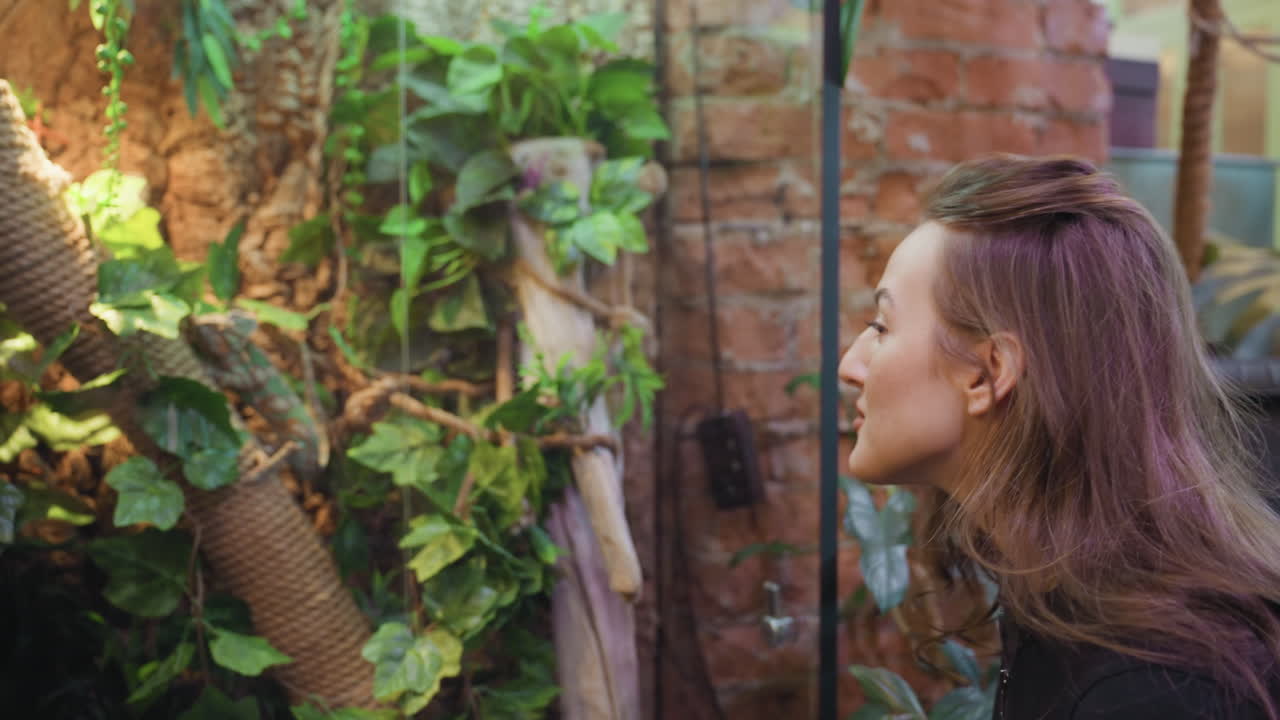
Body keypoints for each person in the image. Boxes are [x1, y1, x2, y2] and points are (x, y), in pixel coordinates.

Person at [837, 154, 1280, 719]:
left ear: (988, 373)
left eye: (882, 326)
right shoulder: (1066, 596)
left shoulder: (1153, 690)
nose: (851, 365)